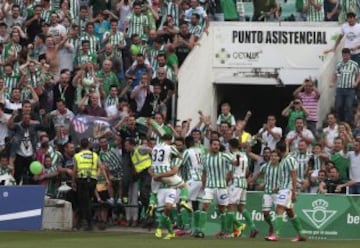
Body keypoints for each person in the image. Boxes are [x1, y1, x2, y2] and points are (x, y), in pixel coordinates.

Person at [193, 138, 236, 238]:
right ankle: (200, 231)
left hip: (221, 187)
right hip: (209, 186)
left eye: (217, 145)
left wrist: (237, 160)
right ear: (210, 146)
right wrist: (204, 184)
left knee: (222, 209)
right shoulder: (205, 157)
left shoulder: (224, 156)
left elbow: (234, 163)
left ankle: (224, 231)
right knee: (205, 206)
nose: (216, 146)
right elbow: (204, 172)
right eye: (214, 144)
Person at [265, 140, 306, 242]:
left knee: (279, 208)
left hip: (288, 189)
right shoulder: (283, 160)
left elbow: (294, 175)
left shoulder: (289, 160)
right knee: (290, 212)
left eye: (276, 150)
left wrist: (294, 192)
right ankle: (301, 234)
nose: (275, 152)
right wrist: (278, 187)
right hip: (283, 188)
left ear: (279, 150)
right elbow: (285, 176)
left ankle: (276, 234)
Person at [227, 138, 258, 238]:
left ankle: (231, 230)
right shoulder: (244, 155)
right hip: (243, 182)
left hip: (236, 182)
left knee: (230, 205)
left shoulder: (232, 156)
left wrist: (225, 183)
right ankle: (253, 227)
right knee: (241, 207)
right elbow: (248, 170)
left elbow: (230, 172)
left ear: (231, 146)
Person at [249, 150, 280, 237]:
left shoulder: (281, 167)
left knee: (279, 212)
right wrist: (249, 182)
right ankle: (271, 227)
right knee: (265, 213)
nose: (273, 157)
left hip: (278, 193)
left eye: (275, 156)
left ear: (278, 157)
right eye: (272, 156)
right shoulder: (265, 166)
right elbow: (257, 175)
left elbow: (285, 180)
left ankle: (275, 233)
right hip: (267, 192)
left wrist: (278, 187)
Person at [72, 138, 100, 231]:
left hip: (82, 180)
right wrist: (97, 176)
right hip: (92, 180)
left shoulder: (77, 156)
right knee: (88, 201)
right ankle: (88, 222)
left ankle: (87, 222)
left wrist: (73, 182)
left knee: (84, 202)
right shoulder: (94, 155)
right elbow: (100, 167)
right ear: (89, 145)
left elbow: (75, 170)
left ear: (80, 145)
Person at [331, 48, 360, 124]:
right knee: (339, 106)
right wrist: (332, 82)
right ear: (342, 55)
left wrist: (356, 83)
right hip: (340, 88)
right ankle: (342, 121)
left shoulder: (354, 64)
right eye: (344, 55)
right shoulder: (339, 64)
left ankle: (350, 122)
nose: (345, 57)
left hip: (350, 89)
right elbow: (335, 74)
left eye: (347, 55)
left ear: (349, 55)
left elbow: (358, 75)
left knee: (349, 105)